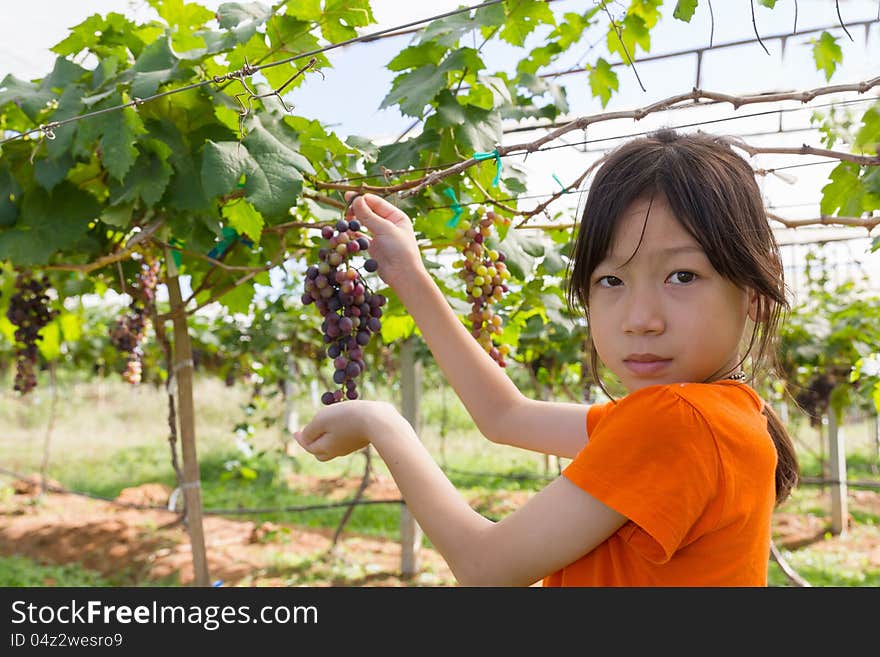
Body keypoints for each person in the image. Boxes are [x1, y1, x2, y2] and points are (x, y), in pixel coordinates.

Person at [294, 129, 800, 586]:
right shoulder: (726, 414)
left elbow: (485, 567)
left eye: (682, 276)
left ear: (754, 289)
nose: (639, 318)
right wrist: (408, 273)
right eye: (611, 281)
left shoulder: (678, 421)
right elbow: (505, 416)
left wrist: (382, 423)